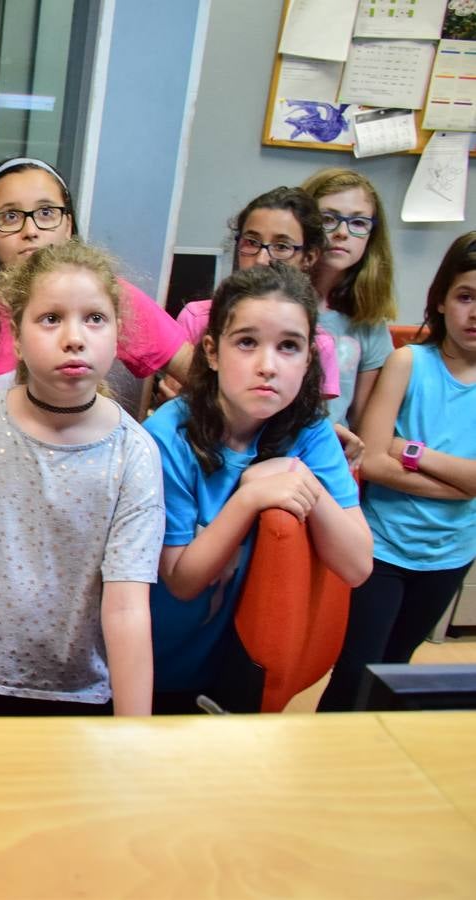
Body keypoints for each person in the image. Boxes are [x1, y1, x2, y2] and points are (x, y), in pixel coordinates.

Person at [0, 242, 163, 716]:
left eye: (94, 319)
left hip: (72, 692)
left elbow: (128, 606)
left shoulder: (134, 455)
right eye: (51, 319)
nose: (74, 337)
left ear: (117, 334)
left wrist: (136, 737)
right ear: (18, 336)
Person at [145, 263, 372, 713]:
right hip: (156, 664)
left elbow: (357, 564)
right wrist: (249, 497)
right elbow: (183, 580)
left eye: (289, 347)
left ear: (309, 359)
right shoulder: (167, 436)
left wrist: (302, 479)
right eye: (247, 342)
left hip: (242, 664)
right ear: (211, 351)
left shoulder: (309, 430)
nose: (267, 366)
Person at [317, 232, 476, 711]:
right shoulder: (408, 363)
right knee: (354, 672)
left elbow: (395, 455)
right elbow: (374, 459)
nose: (474, 313)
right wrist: (460, 483)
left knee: (396, 673)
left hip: (450, 554)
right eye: (466, 296)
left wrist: (411, 451)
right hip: (384, 549)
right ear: (442, 300)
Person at [0, 156, 193, 395]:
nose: (31, 230)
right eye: (11, 216)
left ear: (68, 225)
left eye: (46, 213)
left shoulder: (102, 295)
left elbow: (195, 371)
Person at [174, 186, 348, 461]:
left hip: (278, 461)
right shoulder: (196, 318)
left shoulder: (319, 343)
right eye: (251, 242)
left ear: (309, 257)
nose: (262, 258)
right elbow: (174, 400)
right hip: (198, 455)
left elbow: (309, 426)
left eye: (281, 246)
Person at [301, 168, 397, 435]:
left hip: (330, 455)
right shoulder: (274, 302)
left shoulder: (369, 323)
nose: (342, 232)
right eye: (328, 219)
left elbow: (361, 423)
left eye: (358, 223)